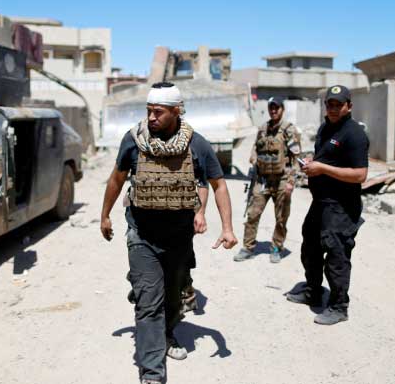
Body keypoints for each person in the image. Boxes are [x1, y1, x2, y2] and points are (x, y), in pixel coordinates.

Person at [100, 82, 237, 384]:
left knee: (173, 300)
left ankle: (168, 333)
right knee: (149, 303)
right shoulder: (133, 141)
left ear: (176, 111)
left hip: (177, 239)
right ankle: (152, 373)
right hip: (142, 236)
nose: (151, 118)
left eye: (158, 112)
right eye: (148, 111)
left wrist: (227, 227)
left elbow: (219, 185)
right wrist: (105, 215)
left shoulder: (197, 145)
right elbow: (117, 178)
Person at [285, 85, 369, 325]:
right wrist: (314, 161)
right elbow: (326, 157)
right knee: (310, 248)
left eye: (338, 104)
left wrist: (322, 169)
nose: (333, 108)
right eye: (329, 104)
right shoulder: (325, 128)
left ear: (349, 106)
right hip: (320, 202)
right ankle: (313, 290)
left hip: (341, 206)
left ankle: (339, 306)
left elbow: (360, 174)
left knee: (337, 255)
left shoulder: (354, 134)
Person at [234, 96, 301, 264]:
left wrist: (291, 182)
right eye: (271, 107)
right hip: (263, 179)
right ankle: (248, 247)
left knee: (281, 217)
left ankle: (277, 247)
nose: (273, 110)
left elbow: (296, 159)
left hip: (282, 180)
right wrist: (254, 158)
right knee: (253, 213)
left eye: (276, 107)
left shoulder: (289, 130)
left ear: (282, 109)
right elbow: (255, 148)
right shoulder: (263, 129)